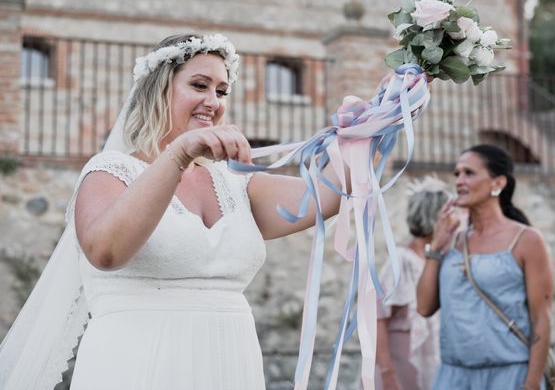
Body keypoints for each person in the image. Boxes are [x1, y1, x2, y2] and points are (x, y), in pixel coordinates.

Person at [0, 34, 350, 390]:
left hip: (231, 366)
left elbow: (328, 194)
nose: (213, 101)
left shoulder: (235, 184)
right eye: (199, 85)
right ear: (159, 90)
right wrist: (178, 155)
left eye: (222, 91)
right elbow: (105, 252)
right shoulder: (109, 171)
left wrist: (383, 118)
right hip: (139, 365)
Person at [416, 144, 553, 390]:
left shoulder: (526, 240)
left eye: (469, 173)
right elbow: (424, 307)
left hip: (510, 376)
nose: (459, 180)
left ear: (498, 183)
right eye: (457, 173)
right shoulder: (451, 240)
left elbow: (541, 318)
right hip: (452, 377)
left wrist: (532, 384)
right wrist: (435, 247)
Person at [375, 177, 447, 390]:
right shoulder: (402, 262)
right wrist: (387, 374)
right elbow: (377, 319)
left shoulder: (444, 258)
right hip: (399, 369)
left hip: (435, 366)